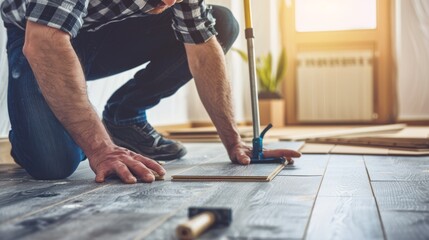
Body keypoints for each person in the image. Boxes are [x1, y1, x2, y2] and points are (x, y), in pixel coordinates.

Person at [1, 0, 301, 183]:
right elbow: (45, 42)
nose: (170, 2)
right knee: (53, 164)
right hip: (38, 33)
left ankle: (124, 118)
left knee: (219, 23)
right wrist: (100, 149)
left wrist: (234, 142)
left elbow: (201, 48)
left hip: (107, 32)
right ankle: (29, 135)